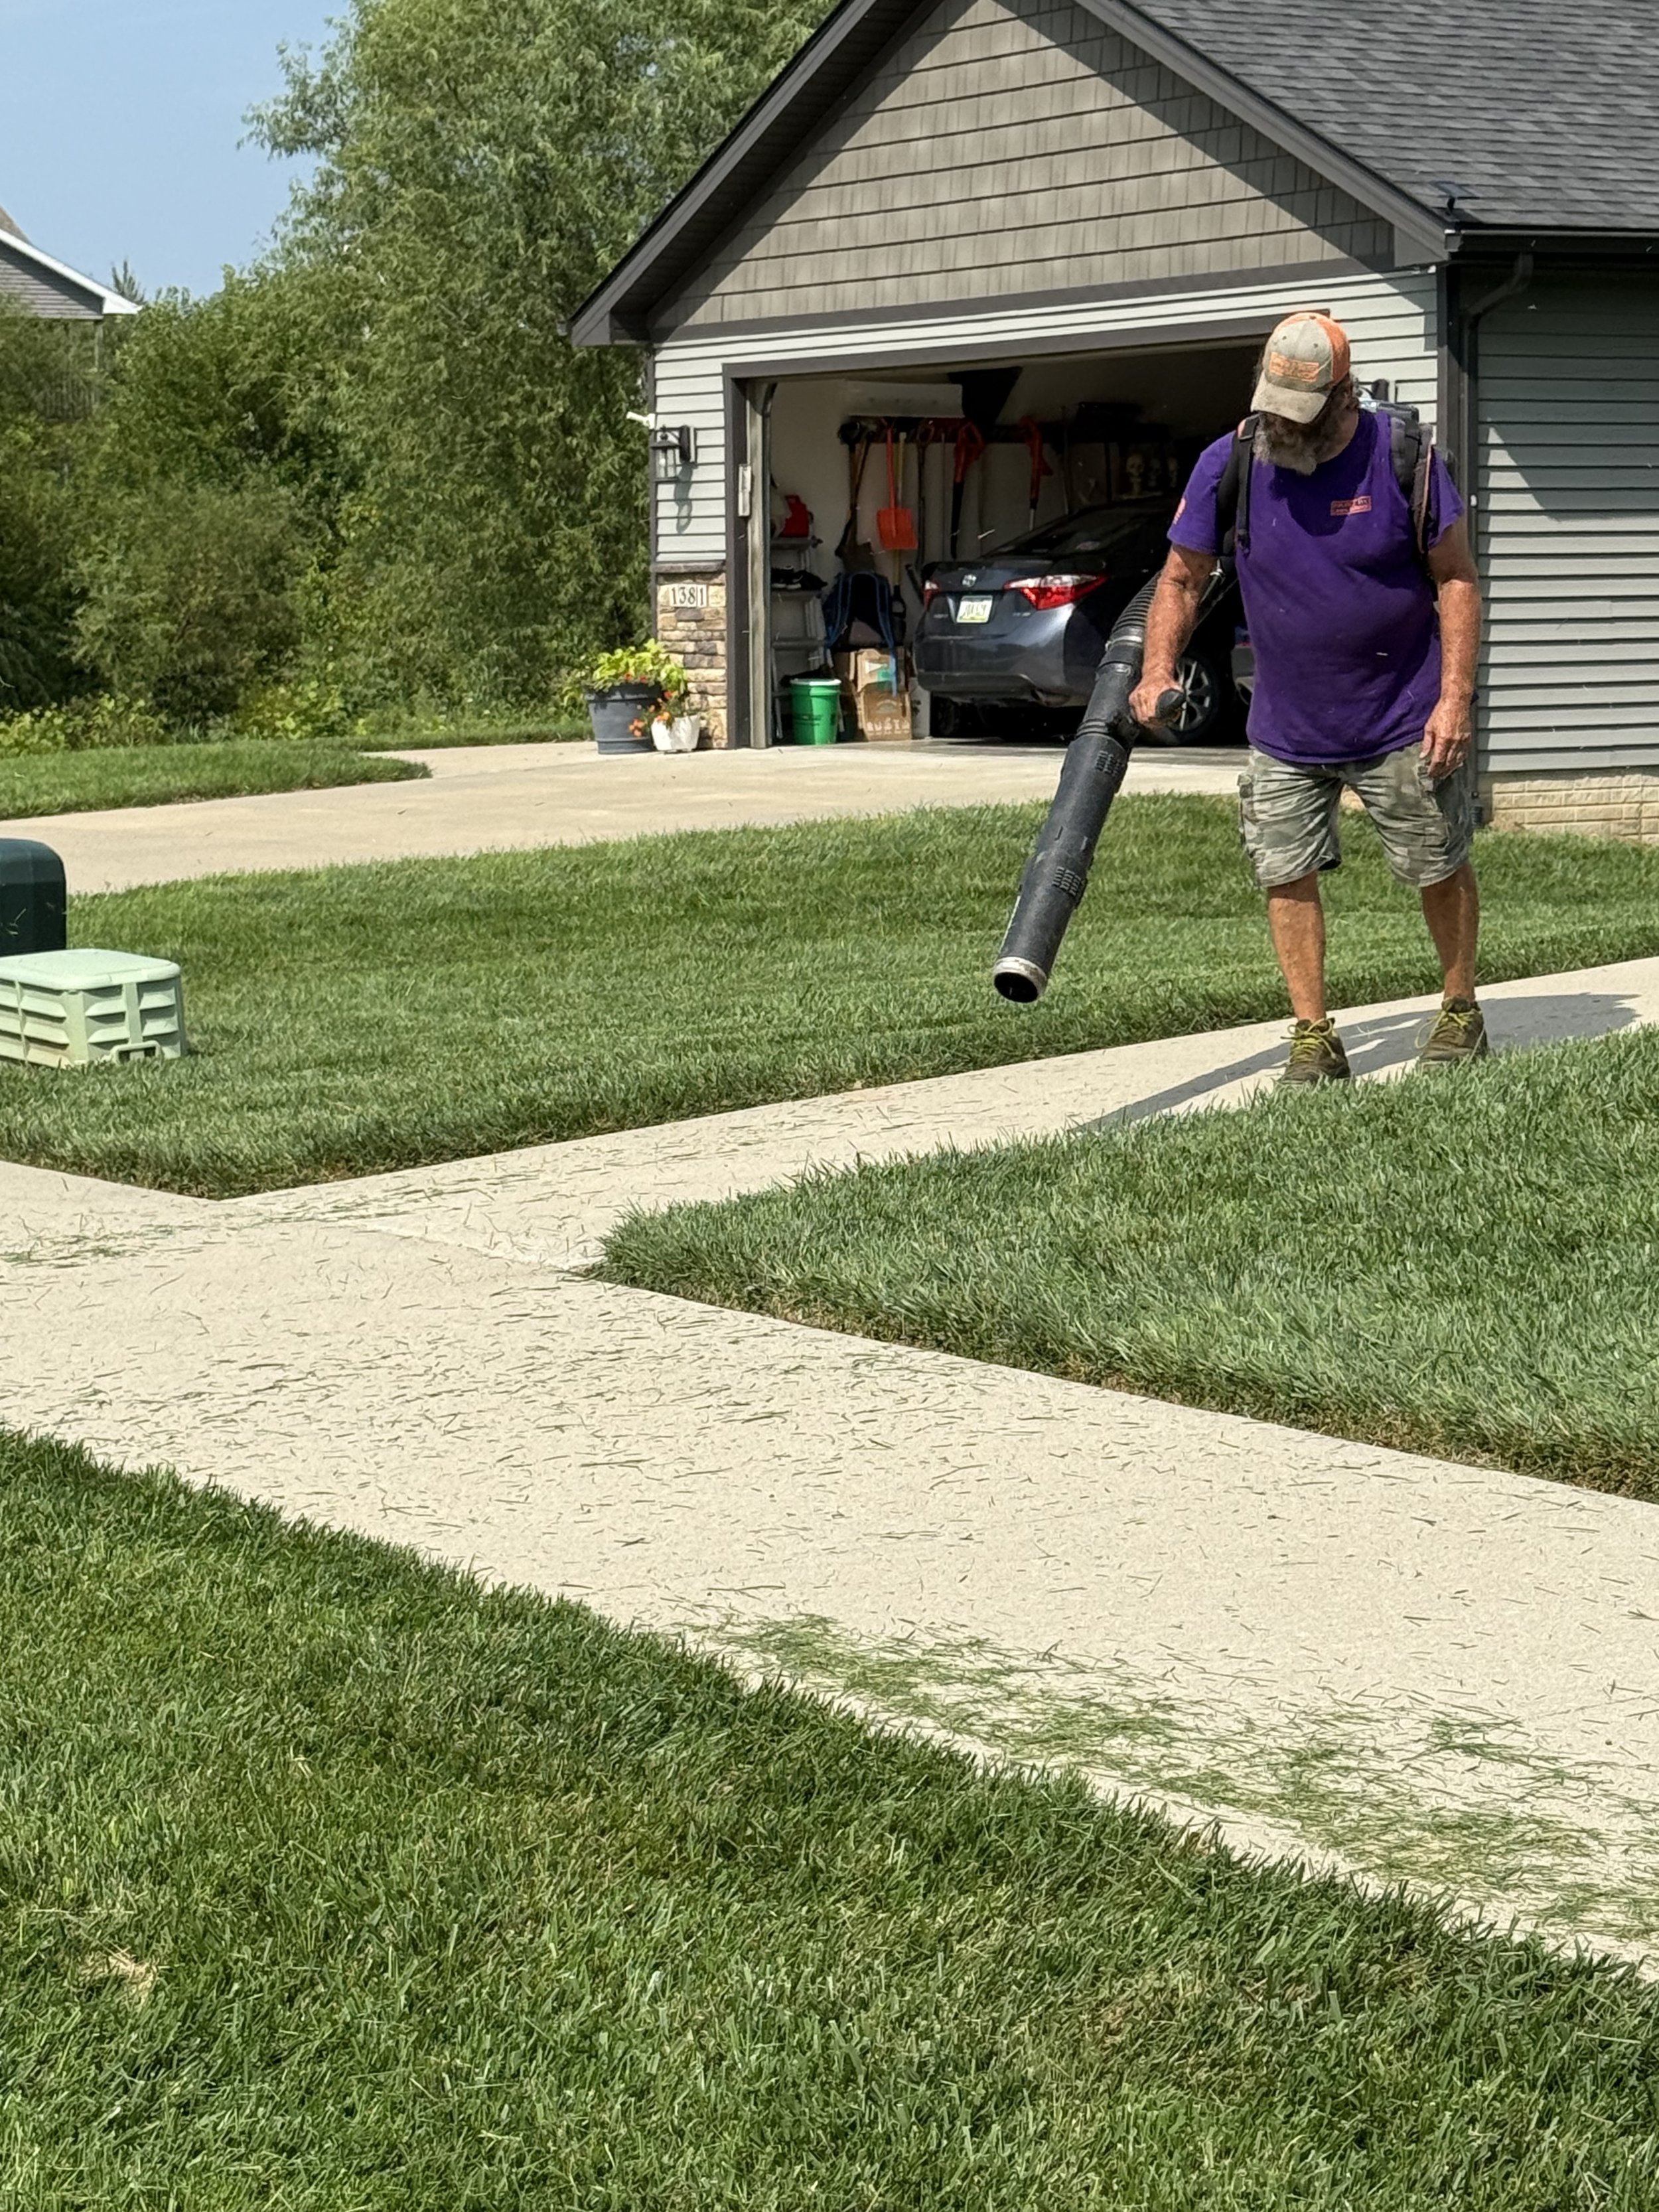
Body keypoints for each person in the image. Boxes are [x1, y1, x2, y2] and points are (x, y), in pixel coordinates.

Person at [1131, 311, 1486, 1083]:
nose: (1282, 428)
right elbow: (1182, 578)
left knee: (1435, 861)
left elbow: (1456, 580)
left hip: (1401, 712)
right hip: (1285, 722)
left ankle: (1459, 1009)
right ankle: (1312, 1035)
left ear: (1342, 396)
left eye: (1300, 414)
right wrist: (1159, 668)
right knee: (1281, 869)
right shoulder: (1229, 462)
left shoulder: (1402, 458)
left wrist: (1453, 699)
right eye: (1273, 408)